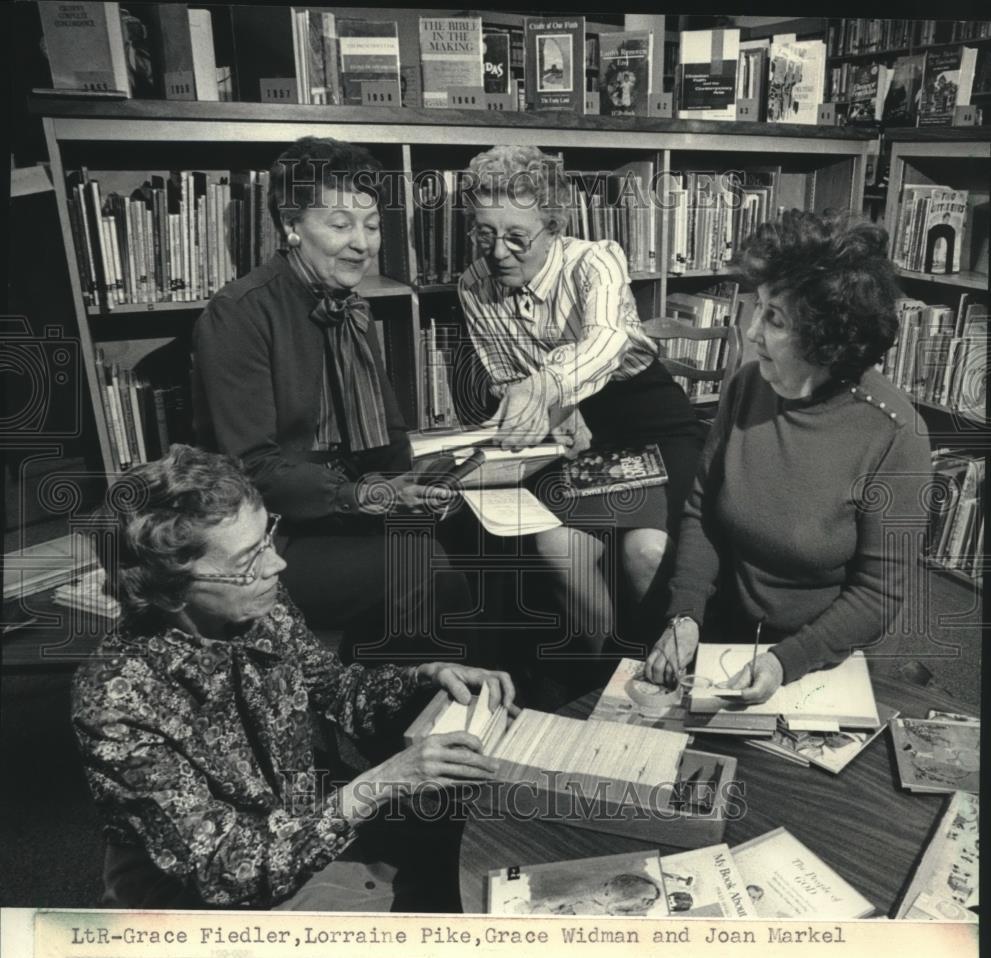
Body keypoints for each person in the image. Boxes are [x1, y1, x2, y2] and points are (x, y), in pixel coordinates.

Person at [71, 445, 514, 910]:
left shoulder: (261, 606)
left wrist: (425, 675)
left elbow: (336, 690)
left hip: (298, 821)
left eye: (268, 538)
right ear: (169, 587)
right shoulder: (114, 700)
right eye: (247, 560)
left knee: (475, 859)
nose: (276, 565)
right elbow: (227, 872)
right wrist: (381, 784)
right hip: (204, 903)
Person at [192, 135, 472, 665]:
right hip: (274, 539)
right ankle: (402, 716)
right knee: (421, 566)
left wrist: (416, 488)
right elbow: (251, 469)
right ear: (291, 226)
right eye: (340, 225)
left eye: (370, 226)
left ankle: (479, 702)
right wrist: (371, 495)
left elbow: (386, 436)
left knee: (480, 532)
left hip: (346, 513)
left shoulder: (348, 307)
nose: (362, 244)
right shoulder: (239, 314)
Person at [645, 211, 933, 703]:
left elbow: (877, 594)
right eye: (757, 308)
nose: (752, 331)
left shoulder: (895, 433)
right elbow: (702, 512)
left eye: (773, 318)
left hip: (819, 655)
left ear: (826, 337)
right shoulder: (746, 386)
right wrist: (685, 616)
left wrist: (786, 660)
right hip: (724, 640)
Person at [457, 145, 706, 657]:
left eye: (516, 237)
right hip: (569, 434)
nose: (498, 252)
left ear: (554, 227)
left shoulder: (597, 261)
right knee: (556, 547)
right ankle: (604, 672)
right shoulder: (473, 285)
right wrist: (554, 409)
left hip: (649, 422)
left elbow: (607, 341)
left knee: (646, 551)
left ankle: (659, 679)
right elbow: (505, 375)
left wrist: (547, 389)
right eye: (485, 233)